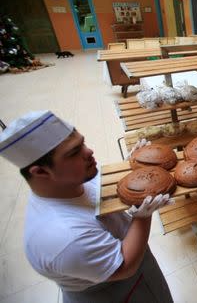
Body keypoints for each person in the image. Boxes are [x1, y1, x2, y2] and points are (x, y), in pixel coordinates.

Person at [0, 110, 174, 303]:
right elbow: (125, 266)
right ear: (40, 171)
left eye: (81, 143)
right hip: (112, 290)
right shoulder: (64, 237)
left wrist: (133, 169)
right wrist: (143, 216)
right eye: (74, 152)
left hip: (136, 264)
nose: (89, 151)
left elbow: (104, 190)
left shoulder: (71, 182)